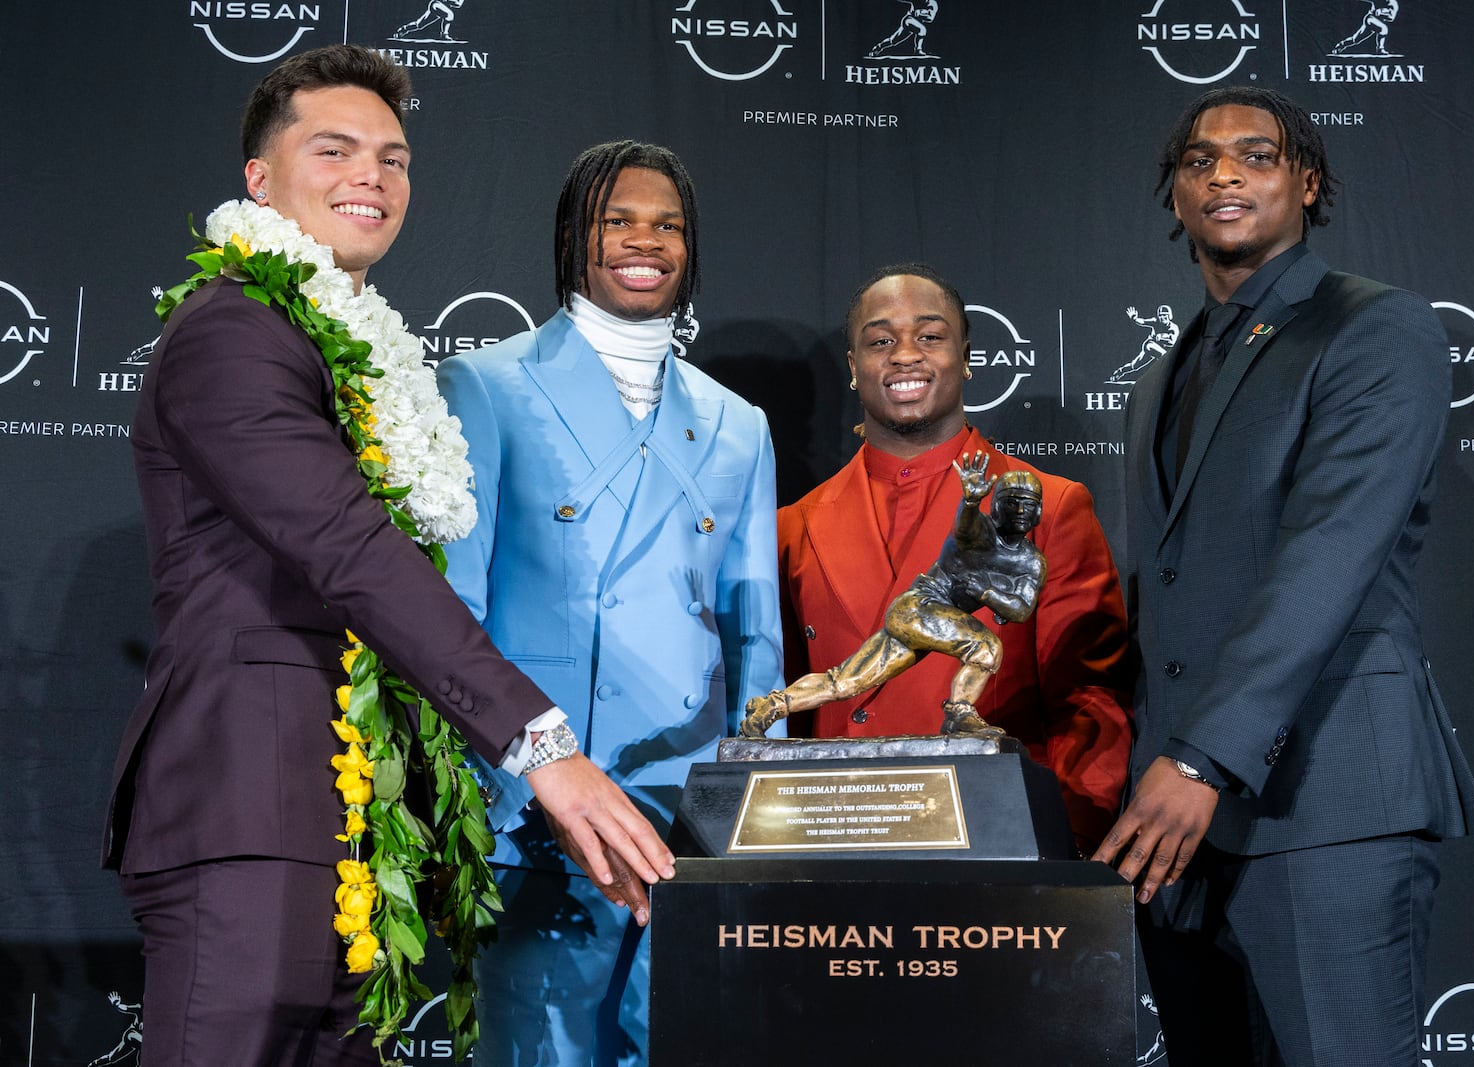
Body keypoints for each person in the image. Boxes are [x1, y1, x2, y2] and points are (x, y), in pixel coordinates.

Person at [103, 47, 673, 1067]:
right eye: (336, 149)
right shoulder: (235, 329)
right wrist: (544, 748)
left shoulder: (349, 345)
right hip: (247, 805)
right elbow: (347, 549)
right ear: (260, 180)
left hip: (357, 821)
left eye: (393, 157)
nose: (372, 175)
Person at [1091, 86, 1474, 1064]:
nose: (1223, 172)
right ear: (1173, 197)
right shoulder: (1160, 375)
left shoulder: (1374, 329)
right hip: (1176, 830)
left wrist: (1198, 762)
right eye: (1198, 161)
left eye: (1256, 155)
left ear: (1308, 183)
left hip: (1324, 800)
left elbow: (1329, 556)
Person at [436, 140, 783, 1066]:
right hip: (537, 810)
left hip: (690, 818)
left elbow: (757, 636)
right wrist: (494, 795)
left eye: (667, 224)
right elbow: (453, 615)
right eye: (617, 219)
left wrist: (751, 812)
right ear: (571, 236)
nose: (645, 240)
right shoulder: (487, 384)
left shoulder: (739, 422)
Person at [766, 264, 1133, 851]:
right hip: (828, 840)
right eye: (880, 340)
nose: (905, 355)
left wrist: (1067, 844)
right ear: (854, 368)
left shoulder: (1051, 505)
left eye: (930, 336)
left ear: (965, 359)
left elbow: (1088, 699)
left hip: (995, 842)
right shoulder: (791, 527)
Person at [742, 451, 1046, 739]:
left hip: (919, 620)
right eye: (1011, 501)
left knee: (845, 681)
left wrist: (987, 592)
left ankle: (770, 706)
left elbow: (1020, 609)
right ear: (995, 506)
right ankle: (959, 713)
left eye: (1028, 503)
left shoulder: (1032, 562)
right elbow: (966, 528)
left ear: (1039, 511)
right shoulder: (979, 531)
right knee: (987, 647)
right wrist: (969, 501)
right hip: (919, 607)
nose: (1019, 510)